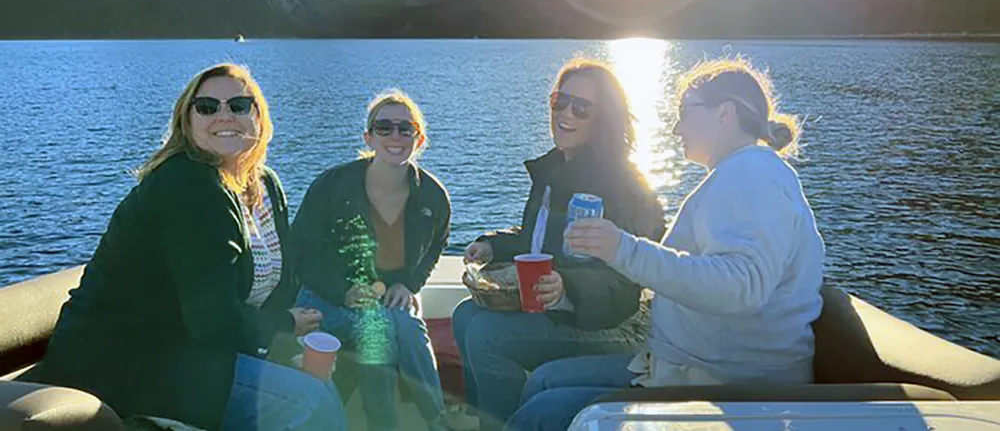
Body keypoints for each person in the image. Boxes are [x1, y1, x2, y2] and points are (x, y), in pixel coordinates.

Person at [507, 56, 827, 431]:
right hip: (683, 366)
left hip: (729, 388)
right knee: (543, 381)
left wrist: (621, 249)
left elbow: (743, 286)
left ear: (724, 113)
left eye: (685, 112)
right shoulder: (743, 173)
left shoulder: (752, 174)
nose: (677, 128)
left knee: (542, 412)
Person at [36, 63, 345, 431]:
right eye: (208, 107)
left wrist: (279, 347)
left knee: (318, 387)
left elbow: (279, 282)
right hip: (131, 359)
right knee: (312, 403)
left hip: (200, 349)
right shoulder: (188, 185)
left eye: (239, 105)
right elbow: (210, 318)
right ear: (187, 121)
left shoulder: (264, 186)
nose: (224, 115)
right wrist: (283, 326)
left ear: (259, 117)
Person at [452, 58, 667, 431]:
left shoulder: (625, 187)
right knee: (465, 316)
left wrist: (568, 286)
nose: (566, 113)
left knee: (486, 335)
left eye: (582, 108)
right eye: (560, 101)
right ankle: (491, 419)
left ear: (604, 119)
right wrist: (494, 245)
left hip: (614, 322)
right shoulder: (553, 172)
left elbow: (627, 282)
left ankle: (503, 425)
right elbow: (538, 238)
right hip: (563, 308)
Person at [292, 90, 450, 431]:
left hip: (385, 296)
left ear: (418, 138)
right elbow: (299, 250)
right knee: (380, 328)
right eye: (384, 127)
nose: (395, 136)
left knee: (405, 325)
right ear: (369, 137)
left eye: (405, 128)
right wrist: (343, 291)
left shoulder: (433, 196)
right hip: (325, 296)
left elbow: (438, 244)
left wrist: (410, 284)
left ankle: (438, 422)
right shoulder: (332, 186)